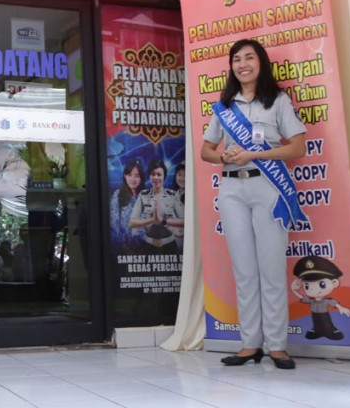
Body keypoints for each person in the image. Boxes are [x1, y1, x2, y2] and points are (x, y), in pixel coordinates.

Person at [201, 39, 308, 370]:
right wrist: (224, 156)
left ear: (261, 62)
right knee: (244, 269)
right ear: (231, 66)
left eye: (249, 58)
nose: (242, 64)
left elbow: (298, 147)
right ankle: (250, 344)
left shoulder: (277, 100)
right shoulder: (224, 106)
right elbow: (206, 151)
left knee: (271, 268)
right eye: (237, 59)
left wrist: (255, 154)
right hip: (232, 189)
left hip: (268, 186)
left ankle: (277, 346)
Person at [129, 159, 182, 253]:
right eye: (153, 174)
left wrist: (163, 221)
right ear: (149, 176)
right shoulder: (143, 195)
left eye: (159, 174)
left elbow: (183, 221)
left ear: (164, 176)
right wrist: (152, 220)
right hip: (148, 246)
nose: (156, 177)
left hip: (170, 247)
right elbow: (132, 223)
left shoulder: (173, 195)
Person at [109, 158, 145, 251]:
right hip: (123, 247)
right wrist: (124, 243)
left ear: (141, 178)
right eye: (129, 175)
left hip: (145, 246)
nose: (133, 179)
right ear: (125, 176)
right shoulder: (118, 195)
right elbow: (114, 222)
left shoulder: (146, 195)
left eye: (137, 176)